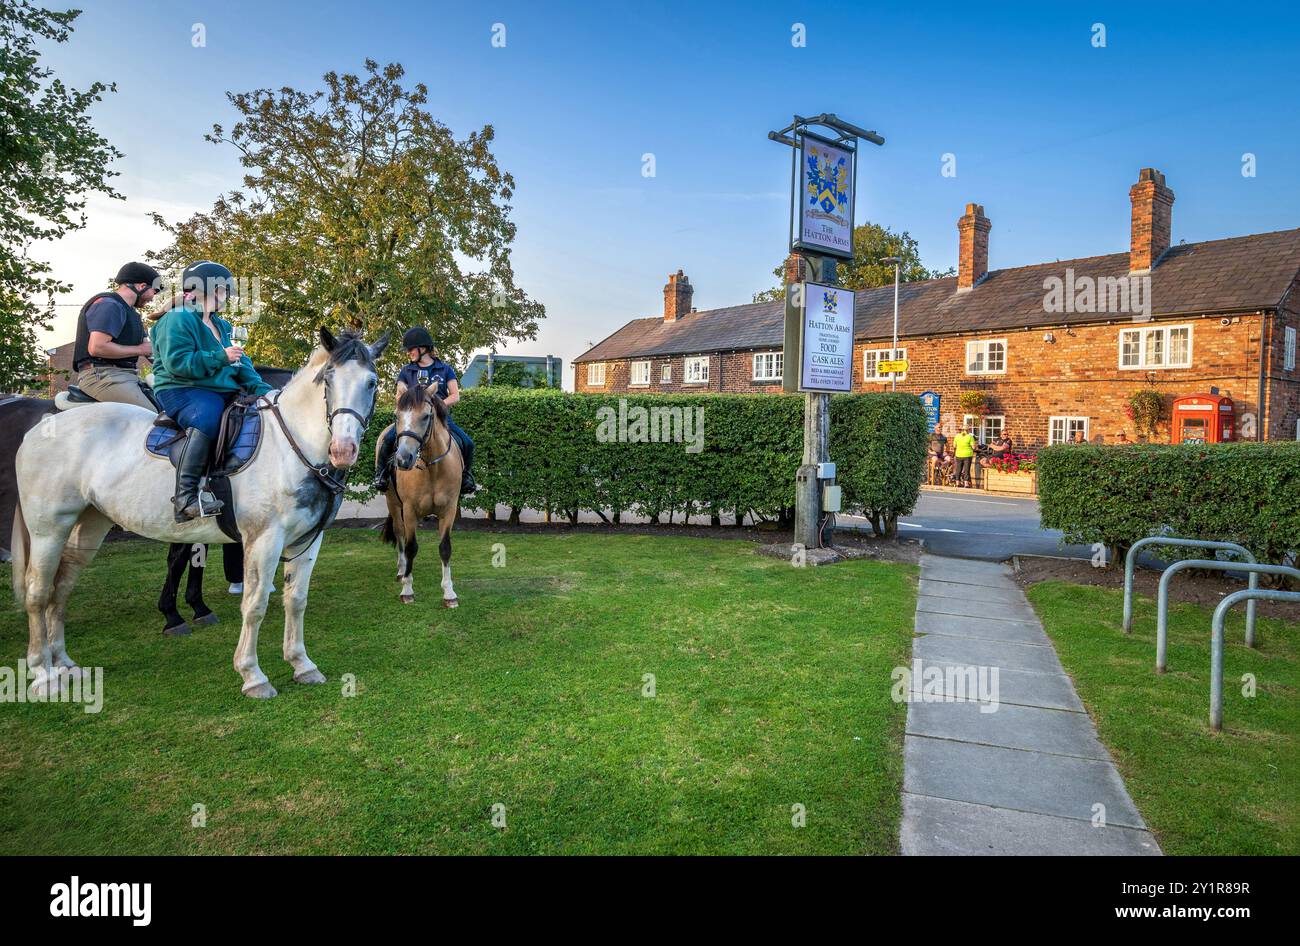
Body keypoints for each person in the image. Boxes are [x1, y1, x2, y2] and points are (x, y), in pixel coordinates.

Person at [150, 261, 271, 521]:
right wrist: (220, 357)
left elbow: (242, 365)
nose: (228, 297)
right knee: (207, 416)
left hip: (221, 389)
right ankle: (186, 499)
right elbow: (177, 363)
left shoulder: (224, 326)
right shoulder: (178, 317)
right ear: (213, 289)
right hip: (182, 389)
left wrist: (268, 394)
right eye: (226, 291)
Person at [371, 327, 477, 495]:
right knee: (387, 439)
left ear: (423, 348)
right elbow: (399, 395)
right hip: (411, 420)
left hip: (440, 419)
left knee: (468, 443)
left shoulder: (445, 369)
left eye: (410, 349)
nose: (408, 353)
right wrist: (408, 404)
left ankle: (466, 477)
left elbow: (455, 396)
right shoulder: (406, 371)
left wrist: (434, 406)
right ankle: (381, 475)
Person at [70, 262, 161, 409]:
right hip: (102, 376)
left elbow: (149, 350)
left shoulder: (132, 314)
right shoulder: (109, 304)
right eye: (154, 291)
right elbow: (97, 347)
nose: (153, 297)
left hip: (125, 376)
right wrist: (141, 350)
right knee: (151, 416)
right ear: (141, 286)